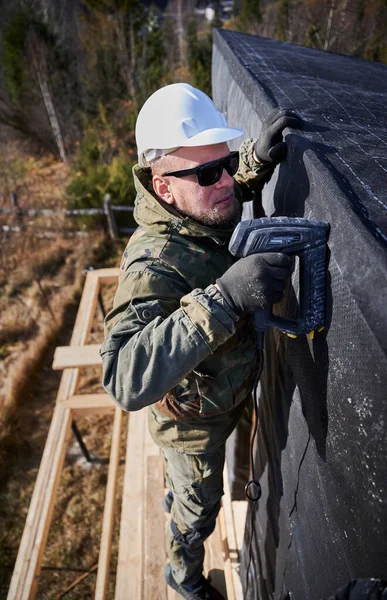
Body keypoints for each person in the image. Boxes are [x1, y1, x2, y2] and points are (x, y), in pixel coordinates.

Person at [100, 83, 302, 600]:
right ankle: (184, 578)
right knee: (197, 511)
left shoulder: (195, 203)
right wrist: (225, 299)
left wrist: (252, 162)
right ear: (164, 188)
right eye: (211, 172)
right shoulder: (153, 265)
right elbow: (123, 378)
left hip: (222, 392)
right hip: (192, 431)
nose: (227, 181)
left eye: (227, 162)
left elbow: (216, 204)